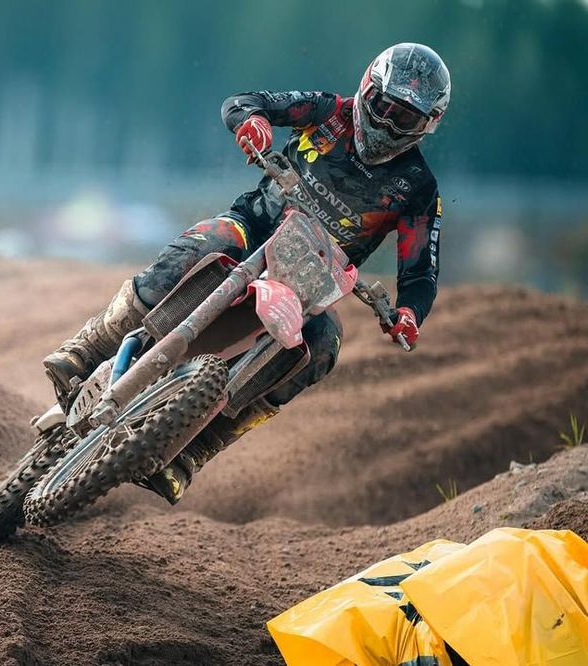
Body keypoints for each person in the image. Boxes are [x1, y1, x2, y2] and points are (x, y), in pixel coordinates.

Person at [43, 43, 451, 503]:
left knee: (324, 344)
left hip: (309, 283)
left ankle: (194, 451)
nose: (388, 123)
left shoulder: (418, 188)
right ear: (366, 90)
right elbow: (244, 101)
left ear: (427, 124)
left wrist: (409, 314)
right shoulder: (327, 111)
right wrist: (252, 121)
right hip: (253, 228)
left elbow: (420, 271)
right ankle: (88, 348)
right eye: (383, 106)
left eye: (405, 118)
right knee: (209, 242)